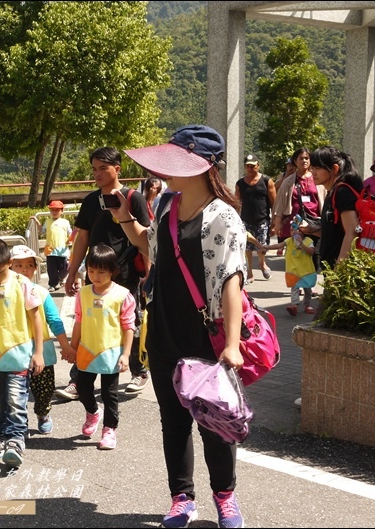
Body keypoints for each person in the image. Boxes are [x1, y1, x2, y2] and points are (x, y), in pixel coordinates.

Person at [117, 125, 247, 528]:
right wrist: (125, 220)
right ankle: (182, 498)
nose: (166, 171)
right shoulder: (168, 206)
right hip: (163, 332)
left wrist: (233, 343)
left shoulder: (224, 216)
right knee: (173, 421)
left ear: (202, 166)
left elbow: (232, 280)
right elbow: (150, 246)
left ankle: (225, 497)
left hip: (205, 335)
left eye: (177, 162)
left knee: (215, 424)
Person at [55, 147, 151, 401]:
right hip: (95, 275)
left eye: (102, 168)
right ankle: (79, 379)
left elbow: (147, 239)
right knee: (89, 324)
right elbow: (82, 238)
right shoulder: (90, 201)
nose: (97, 173)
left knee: (130, 324)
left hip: (126, 274)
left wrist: (149, 276)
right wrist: (72, 271)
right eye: (94, 169)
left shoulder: (133, 198)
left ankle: (138, 370)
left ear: (117, 169)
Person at [0, 237, 44, 467]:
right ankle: (2, 436)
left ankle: (16, 440)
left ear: (10, 263)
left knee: (16, 400)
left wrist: (38, 352)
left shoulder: (23, 284)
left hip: (18, 356)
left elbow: (36, 320)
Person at [70, 243, 135, 450]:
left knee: (110, 394)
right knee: (84, 389)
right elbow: (79, 320)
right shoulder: (84, 293)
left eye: (101, 272)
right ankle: (92, 412)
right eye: (91, 271)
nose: (95, 276)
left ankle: (109, 429)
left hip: (111, 352)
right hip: (86, 351)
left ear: (113, 271)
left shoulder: (123, 295)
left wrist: (126, 354)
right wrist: (72, 346)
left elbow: (129, 327)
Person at [9, 245, 77, 434]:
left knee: (44, 390)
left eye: (29, 265)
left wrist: (66, 347)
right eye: (19, 265)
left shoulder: (41, 292)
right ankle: (18, 426)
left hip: (42, 350)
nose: (25, 269)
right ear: (9, 266)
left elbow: (54, 321)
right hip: (13, 350)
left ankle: (43, 413)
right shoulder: (3, 292)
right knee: (16, 393)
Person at [309, 146, 366, 268]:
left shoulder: (342, 192)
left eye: (317, 168)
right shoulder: (332, 192)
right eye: (312, 168)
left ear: (334, 169)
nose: (313, 172)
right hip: (332, 270)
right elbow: (336, 232)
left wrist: (339, 269)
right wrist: (311, 230)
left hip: (342, 272)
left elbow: (352, 231)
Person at [273, 147, 325, 271]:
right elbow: (280, 202)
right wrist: (277, 222)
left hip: (315, 222)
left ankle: (309, 285)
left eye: (307, 158)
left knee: (314, 254)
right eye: (301, 158)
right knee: (297, 254)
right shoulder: (289, 181)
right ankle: (297, 285)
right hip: (295, 224)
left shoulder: (318, 178)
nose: (304, 161)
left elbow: (325, 197)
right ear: (295, 161)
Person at [261, 216, 317, 315]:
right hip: (293, 270)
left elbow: (311, 252)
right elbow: (279, 245)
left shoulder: (308, 241)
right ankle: (294, 305)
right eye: (291, 230)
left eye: (296, 230)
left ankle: (307, 304)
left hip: (306, 270)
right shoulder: (289, 241)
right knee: (294, 288)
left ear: (303, 231)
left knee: (307, 289)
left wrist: (301, 244)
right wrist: (268, 247)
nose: (293, 232)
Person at [235, 154, 276, 283]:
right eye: (248, 166)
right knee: (247, 247)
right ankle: (250, 272)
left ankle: (262, 264)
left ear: (258, 166)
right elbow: (237, 202)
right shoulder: (240, 183)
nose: (250, 168)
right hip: (245, 220)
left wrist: (275, 220)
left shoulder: (266, 181)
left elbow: (274, 202)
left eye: (253, 166)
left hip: (262, 219)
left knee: (261, 245)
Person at [30, 200, 73, 292]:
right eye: (52, 210)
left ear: (62, 211)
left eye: (57, 210)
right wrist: (37, 221)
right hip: (50, 250)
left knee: (65, 268)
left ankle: (61, 278)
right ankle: (52, 284)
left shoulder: (65, 222)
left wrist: (70, 240)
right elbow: (42, 231)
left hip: (62, 250)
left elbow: (70, 233)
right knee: (51, 270)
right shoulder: (48, 221)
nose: (54, 212)